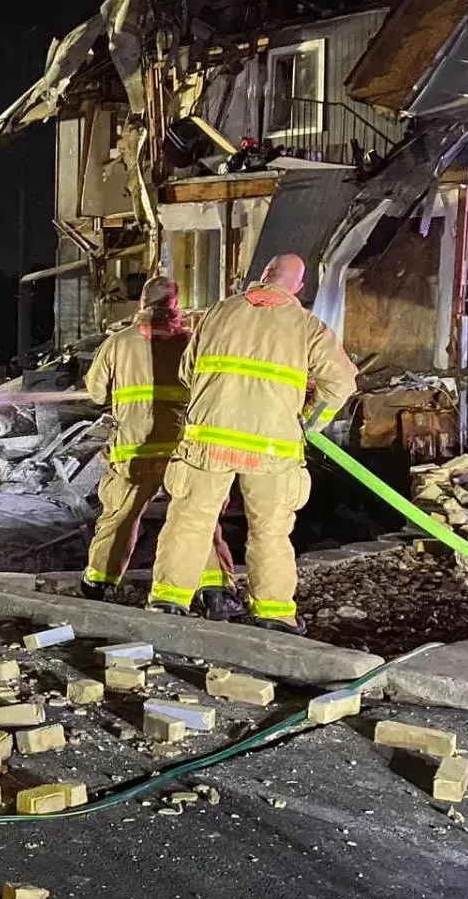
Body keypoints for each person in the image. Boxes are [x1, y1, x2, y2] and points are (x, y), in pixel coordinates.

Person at [147, 253, 357, 634]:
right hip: (273, 449)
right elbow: (341, 383)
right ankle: (274, 614)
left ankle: (168, 600)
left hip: (208, 441)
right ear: (298, 286)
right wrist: (308, 423)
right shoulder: (307, 326)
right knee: (270, 531)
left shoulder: (219, 312)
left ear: (263, 275)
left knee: (190, 520)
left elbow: (186, 371)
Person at [81, 277, 233, 615]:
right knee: (196, 518)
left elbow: (95, 393)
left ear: (142, 304)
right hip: (181, 448)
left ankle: (99, 583)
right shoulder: (190, 342)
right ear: (174, 305)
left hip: (133, 450)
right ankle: (214, 592)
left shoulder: (118, 343)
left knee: (120, 515)